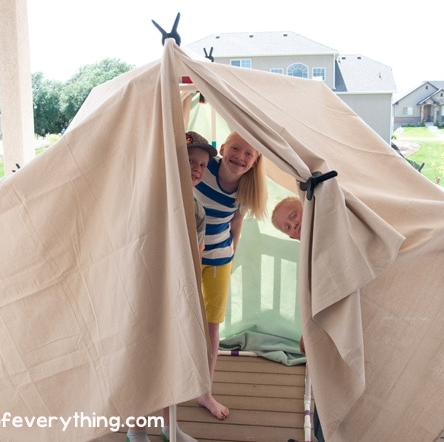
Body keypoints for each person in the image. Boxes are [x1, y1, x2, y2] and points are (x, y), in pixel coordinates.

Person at [127, 132, 217, 442]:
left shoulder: (198, 210)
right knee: (141, 360)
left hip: (175, 295)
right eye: (190, 160)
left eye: (202, 165)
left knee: (171, 359)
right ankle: (137, 430)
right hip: (145, 290)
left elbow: (196, 257)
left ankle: (169, 426)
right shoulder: (155, 194)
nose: (196, 168)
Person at [194, 131, 268, 419]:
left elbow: (237, 221)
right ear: (223, 148)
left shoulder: (246, 189)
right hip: (187, 256)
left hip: (218, 260)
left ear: (254, 162)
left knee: (213, 326)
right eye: (236, 148)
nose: (241, 156)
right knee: (181, 319)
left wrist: (232, 252)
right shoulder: (203, 167)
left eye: (249, 154)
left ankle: (205, 392)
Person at [272, 196, 325, 442]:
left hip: (335, 336)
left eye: (294, 217)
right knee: (324, 398)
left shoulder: (327, 242)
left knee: (330, 398)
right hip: (322, 336)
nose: (294, 228)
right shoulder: (311, 249)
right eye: (288, 228)